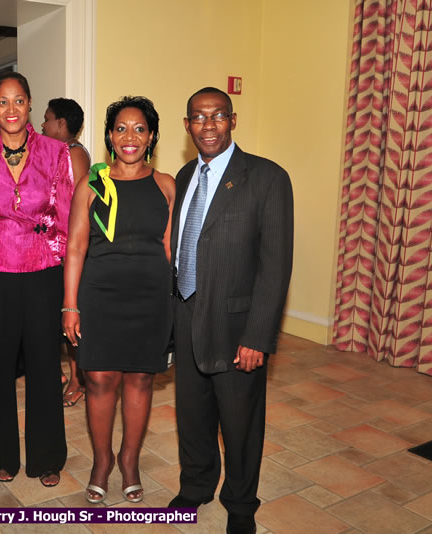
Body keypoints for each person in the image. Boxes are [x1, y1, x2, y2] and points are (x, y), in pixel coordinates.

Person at [168, 87, 293, 534]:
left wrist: (258, 337)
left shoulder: (266, 178)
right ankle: (197, 484)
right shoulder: (183, 176)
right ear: (187, 126)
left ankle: (241, 502)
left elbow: (276, 266)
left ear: (233, 120)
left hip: (237, 323)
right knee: (193, 413)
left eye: (218, 116)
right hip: (186, 314)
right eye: (199, 118)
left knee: (240, 422)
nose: (209, 126)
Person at [63, 96, 175, 504]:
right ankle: (101, 461)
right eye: (121, 128)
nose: (130, 137)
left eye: (140, 129)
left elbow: (169, 249)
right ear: (110, 136)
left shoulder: (165, 184)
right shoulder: (91, 185)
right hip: (99, 296)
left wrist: (173, 306)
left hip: (150, 298)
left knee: (141, 379)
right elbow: (75, 248)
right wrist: (70, 305)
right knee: (98, 380)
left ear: (152, 137)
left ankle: (129, 460)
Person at [0, 71, 73, 487]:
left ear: (30, 105)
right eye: (2, 102)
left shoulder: (55, 151)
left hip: (43, 270)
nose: (11, 109)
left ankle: (47, 457)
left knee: (46, 366)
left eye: (19, 101)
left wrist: (68, 284)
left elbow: (65, 215)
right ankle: (4, 454)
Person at [41, 97, 91, 408]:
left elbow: (78, 205)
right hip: (52, 248)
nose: (42, 125)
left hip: (68, 249)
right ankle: (64, 373)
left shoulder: (74, 154)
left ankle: (78, 379)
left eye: (47, 119)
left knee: (70, 315)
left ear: (61, 124)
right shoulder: (58, 152)